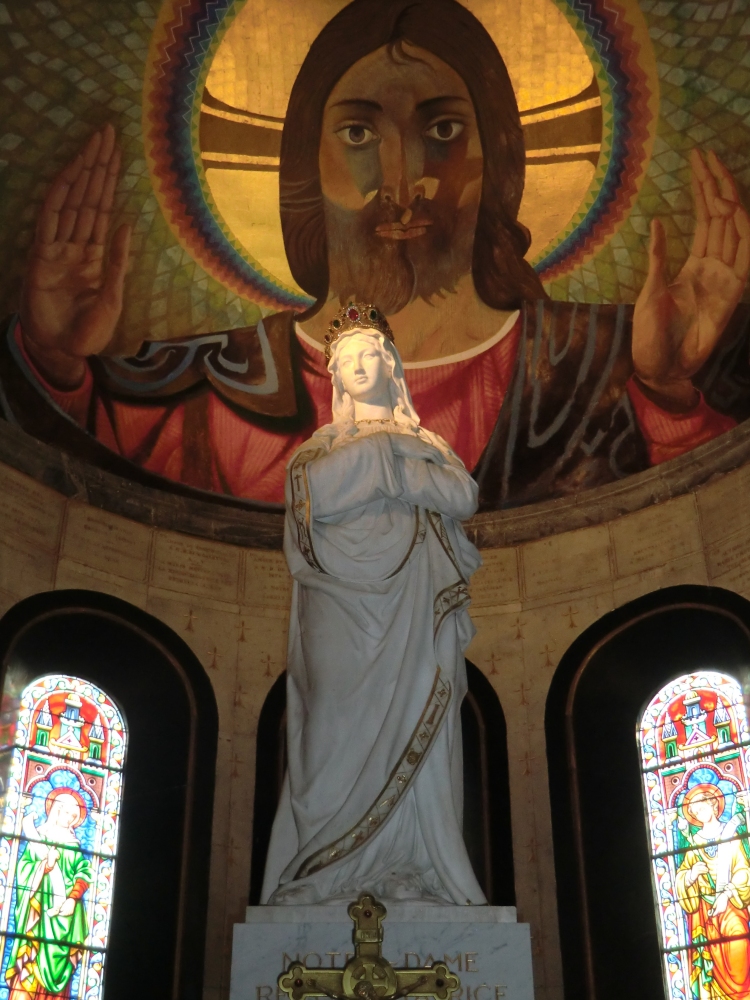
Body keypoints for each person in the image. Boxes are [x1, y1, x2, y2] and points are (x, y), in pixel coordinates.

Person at [3, 0, 748, 507]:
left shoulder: (607, 365)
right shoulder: (203, 395)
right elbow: (63, 494)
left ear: (502, 163)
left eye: (445, 131)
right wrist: (57, 364)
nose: (401, 179)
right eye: (358, 133)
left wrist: (671, 399)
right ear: (304, 166)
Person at [261, 303, 484, 905]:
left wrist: (391, 470)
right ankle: (320, 872)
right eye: (345, 359)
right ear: (333, 377)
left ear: (391, 365)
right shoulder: (318, 449)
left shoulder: (429, 442)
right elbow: (311, 498)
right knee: (331, 724)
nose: (358, 365)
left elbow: (463, 496)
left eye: (369, 353)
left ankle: (411, 867)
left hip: (415, 604)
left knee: (421, 720)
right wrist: (394, 468)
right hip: (339, 605)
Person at [6, 788, 91, 999]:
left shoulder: (74, 845)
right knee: (27, 972)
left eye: (74, 816)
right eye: (67, 814)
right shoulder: (38, 837)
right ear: (55, 810)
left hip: (66, 920)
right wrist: (45, 865)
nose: (71, 820)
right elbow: (23, 869)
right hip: (37, 918)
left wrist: (73, 898)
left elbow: (84, 871)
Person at [675, 783, 750, 1000]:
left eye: (702, 807)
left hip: (732, 907)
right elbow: (682, 878)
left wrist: (727, 894)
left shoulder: (731, 832)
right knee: (713, 958)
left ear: (713, 804)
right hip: (706, 914)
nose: (699, 813)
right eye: (695, 811)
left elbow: (744, 870)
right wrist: (691, 875)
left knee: (739, 946)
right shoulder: (693, 843)